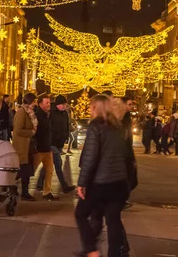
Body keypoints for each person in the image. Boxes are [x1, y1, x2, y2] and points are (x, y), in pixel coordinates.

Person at [75, 94, 131, 257]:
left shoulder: (95, 126)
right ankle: (114, 254)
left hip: (101, 182)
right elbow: (125, 155)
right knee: (113, 220)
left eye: (91, 107)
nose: (90, 110)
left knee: (81, 213)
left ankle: (91, 249)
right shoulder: (118, 127)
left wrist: (82, 182)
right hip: (119, 183)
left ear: (96, 108)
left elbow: (90, 157)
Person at [37, 95, 76, 194]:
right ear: (58, 104)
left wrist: (67, 134)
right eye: (62, 104)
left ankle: (40, 183)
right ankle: (64, 186)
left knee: (48, 164)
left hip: (59, 143)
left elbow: (66, 126)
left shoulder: (64, 113)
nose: (64, 106)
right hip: (52, 143)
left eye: (65, 104)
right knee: (58, 164)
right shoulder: (51, 113)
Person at [33, 94, 59, 200]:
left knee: (49, 171)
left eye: (49, 102)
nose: (49, 104)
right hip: (39, 149)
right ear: (40, 104)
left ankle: (47, 191)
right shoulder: (37, 116)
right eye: (46, 103)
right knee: (31, 170)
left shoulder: (48, 115)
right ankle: (14, 185)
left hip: (48, 148)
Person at [12, 92, 38, 201]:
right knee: (21, 170)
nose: (35, 104)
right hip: (22, 146)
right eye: (34, 101)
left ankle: (23, 191)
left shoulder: (29, 112)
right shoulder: (21, 112)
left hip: (28, 146)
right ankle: (12, 187)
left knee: (26, 171)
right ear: (30, 101)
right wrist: (31, 132)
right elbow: (18, 130)